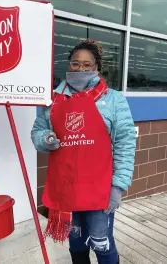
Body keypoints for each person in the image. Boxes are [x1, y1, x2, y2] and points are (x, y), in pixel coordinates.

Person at [31, 39, 136, 264]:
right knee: (76, 241)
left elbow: (125, 144)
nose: (81, 69)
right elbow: (38, 132)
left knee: (101, 241)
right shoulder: (54, 100)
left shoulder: (113, 99)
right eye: (76, 64)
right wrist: (45, 139)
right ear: (69, 65)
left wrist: (118, 185)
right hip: (66, 187)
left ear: (96, 67)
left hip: (100, 188)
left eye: (87, 65)